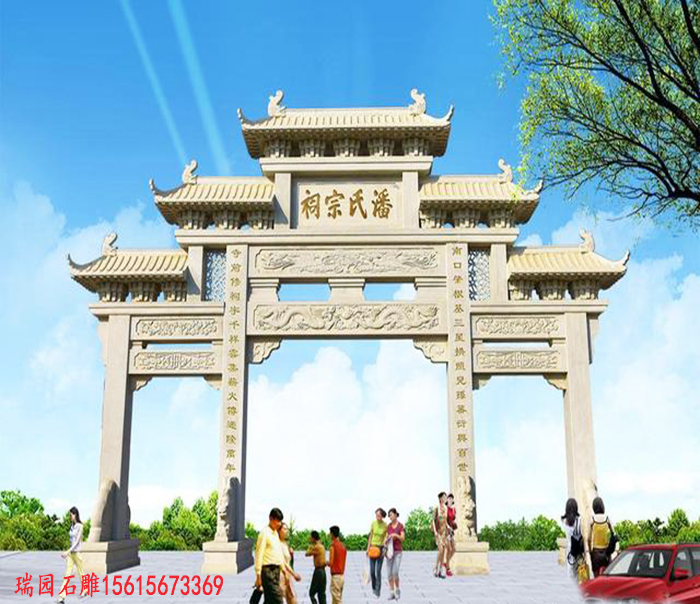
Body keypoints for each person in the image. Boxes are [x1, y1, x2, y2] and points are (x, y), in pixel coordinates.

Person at [254, 507, 286, 604]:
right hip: (268, 571)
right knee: (278, 599)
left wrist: (283, 569)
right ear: (271, 518)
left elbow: (278, 553)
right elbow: (259, 554)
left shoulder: (275, 533)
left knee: (269, 600)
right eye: (278, 521)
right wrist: (258, 575)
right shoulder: (264, 533)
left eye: (280, 521)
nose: (279, 524)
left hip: (276, 571)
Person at [57, 507, 88, 603]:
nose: (70, 517)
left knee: (81, 573)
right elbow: (72, 541)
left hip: (77, 553)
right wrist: (69, 552)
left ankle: (85, 589)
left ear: (75, 515)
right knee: (67, 574)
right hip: (71, 554)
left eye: (71, 515)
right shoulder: (72, 526)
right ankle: (61, 597)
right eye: (69, 515)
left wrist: (67, 551)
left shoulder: (80, 526)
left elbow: (77, 541)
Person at [588, 497, 614, 577]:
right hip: (606, 552)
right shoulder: (607, 519)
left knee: (596, 576)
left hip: (595, 552)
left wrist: (590, 552)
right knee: (607, 575)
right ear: (602, 506)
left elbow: (589, 538)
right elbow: (614, 534)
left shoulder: (592, 519)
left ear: (594, 507)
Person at [561, 498, 584, 582]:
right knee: (579, 573)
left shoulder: (563, 521)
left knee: (570, 574)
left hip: (570, 551)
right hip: (579, 551)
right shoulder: (579, 520)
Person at [384, 508, 405, 600]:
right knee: (389, 573)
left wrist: (395, 535)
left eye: (391, 515)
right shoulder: (388, 526)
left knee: (395, 572)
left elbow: (403, 538)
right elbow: (385, 538)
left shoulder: (400, 526)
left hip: (397, 552)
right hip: (389, 552)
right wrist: (385, 541)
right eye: (389, 515)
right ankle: (391, 592)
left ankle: (397, 590)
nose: (390, 517)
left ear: (396, 515)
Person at [367, 508, 388, 597]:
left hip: (381, 548)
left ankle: (378, 591)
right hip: (373, 548)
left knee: (378, 571)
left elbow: (386, 537)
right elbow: (370, 536)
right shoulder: (373, 523)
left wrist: (385, 548)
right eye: (376, 515)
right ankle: (373, 587)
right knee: (372, 571)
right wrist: (368, 548)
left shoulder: (385, 525)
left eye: (379, 515)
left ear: (382, 516)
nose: (377, 517)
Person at [279, 522, 301, 604]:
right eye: (284, 529)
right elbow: (283, 562)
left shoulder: (285, 544)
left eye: (287, 529)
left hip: (288, 576)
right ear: (279, 531)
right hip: (281, 576)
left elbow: (288, 561)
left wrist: (291, 554)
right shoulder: (277, 544)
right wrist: (294, 574)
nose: (287, 531)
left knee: (292, 598)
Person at [305, 530, 327, 604]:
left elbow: (307, 553)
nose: (310, 539)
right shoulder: (322, 546)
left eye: (310, 538)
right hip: (323, 571)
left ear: (313, 538)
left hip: (318, 571)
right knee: (321, 593)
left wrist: (310, 546)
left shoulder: (316, 547)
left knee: (311, 593)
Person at [431, 492, 449, 579]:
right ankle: (436, 567)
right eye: (444, 497)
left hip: (444, 533)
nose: (445, 499)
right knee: (440, 550)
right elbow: (433, 521)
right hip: (438, 532)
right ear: (440, 498)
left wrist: (449, 527)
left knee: (444, 551)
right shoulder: (436, 508)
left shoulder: (446, 508)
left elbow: (446, 521)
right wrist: (435, 531)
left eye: (446, 497)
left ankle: (440, 570)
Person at [327, 525, 347, 604]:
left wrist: (324, 562)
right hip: (341, 576)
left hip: (335, 577)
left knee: (337, 600)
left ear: (332, 534)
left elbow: (331, 562)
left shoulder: (333, 546)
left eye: (330, 533)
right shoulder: (343, 546)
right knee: (336, 600)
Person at [445, 494, 457, 577]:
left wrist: (453, 525)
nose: (450, 500)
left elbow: (453, 519)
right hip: (446, 530)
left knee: (454, 549)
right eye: (449, 498)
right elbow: (444, 519)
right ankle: (448, 569)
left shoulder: (453, 509)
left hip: (452, 530)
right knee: (449, 549)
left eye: (451, 499)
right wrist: (448, 526)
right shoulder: (445, 509)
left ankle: (446, 562)